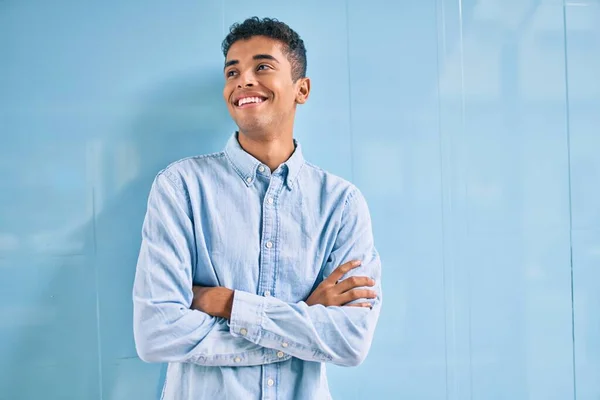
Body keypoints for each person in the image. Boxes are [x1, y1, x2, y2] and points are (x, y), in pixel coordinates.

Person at [132, 16, 383, 400]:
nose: (243, 81)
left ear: (302, 89)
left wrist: (225, 302)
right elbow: (156, 333)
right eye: (232, 72)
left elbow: (350, 342)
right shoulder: (180, 187)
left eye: (262, 67)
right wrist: (302, 318)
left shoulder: (341, 204)